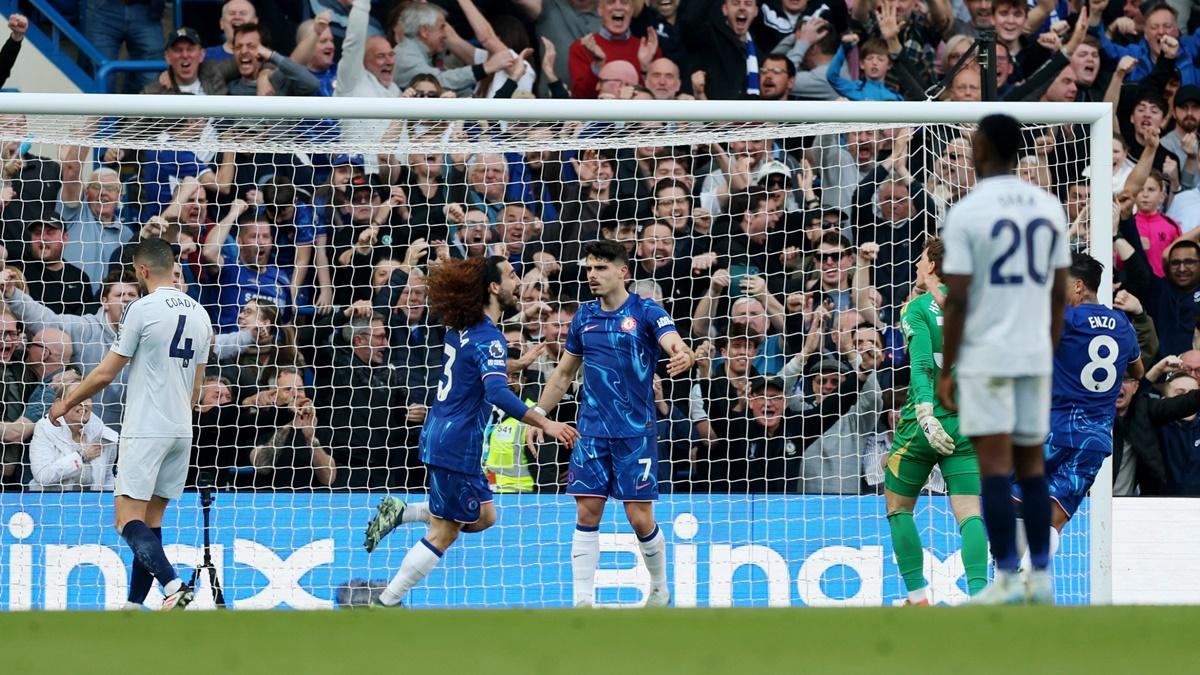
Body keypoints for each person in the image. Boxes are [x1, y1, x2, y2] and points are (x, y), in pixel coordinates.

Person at [361, 256, 578, 607]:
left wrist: (514, 364)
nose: (518, 281)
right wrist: (545, 421)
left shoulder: (462, 328)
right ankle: (386, 602)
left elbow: (473, 365)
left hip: (442, 431)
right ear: (493, 288)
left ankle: (403, 512)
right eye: (511, 275)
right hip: (457, 442)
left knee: (484, 516)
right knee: (445, 531)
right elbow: (496, 392)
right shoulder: (489, 337)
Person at [937, 114, 1071, 605]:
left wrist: (949, 367)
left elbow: (957, 299)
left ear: (985, 149)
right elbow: (1059, 291)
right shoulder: (1048, 207)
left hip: (987, 352)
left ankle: (1009, 579)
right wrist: (1049, 345)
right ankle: (1041, 578)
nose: (970, 148)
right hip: (1034, 350)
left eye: (973, 141)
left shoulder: (968, 211)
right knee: (1032, 467)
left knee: (993, 468)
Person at [47, 238, 213, 611]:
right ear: (173, 267)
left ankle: (173, 585)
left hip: (146, 426)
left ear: (141, 271)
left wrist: (66, 402)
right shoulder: (201, 315)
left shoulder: (141, 308)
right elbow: (197, 389)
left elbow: (106, 373)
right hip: (180, 430)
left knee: (125, 521)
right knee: (150, 521)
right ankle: (134, 605)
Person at [535, 240, 695, 607]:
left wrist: (682, 354)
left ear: (623, 272)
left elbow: (674, 342)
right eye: (589, 268)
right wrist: (540, 415)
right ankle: (582, 602)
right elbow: (563, 374)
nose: (592, 274)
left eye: (601, 267)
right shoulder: (583, 317)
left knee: (639, 517)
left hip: (635, 433)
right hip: (590, 432)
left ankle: (658, 586)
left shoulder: (646, 311)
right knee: (586, 510)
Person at [1013, 253, 1142, 572]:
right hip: (1096, 438)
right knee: (1055, 519)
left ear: (1080, 285)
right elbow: (1137, 370)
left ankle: (1004, 567)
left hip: (1053, 428)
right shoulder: (1124, 326)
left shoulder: (1065, 320)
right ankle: (1029, 573)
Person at [884, 238, 988, 605]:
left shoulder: (917, 309)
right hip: (968, 423)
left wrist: (926, 413)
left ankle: (918, 598)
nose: (915, 265)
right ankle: (978, 598)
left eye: (919, 260)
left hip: (922, 424)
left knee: (898, 508)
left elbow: (923, 366)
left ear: (931, 266)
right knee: (970, 514)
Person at [28, 383, 118, 492]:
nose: (82, 403)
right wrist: (81, 456)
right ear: (59, 404)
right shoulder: (45, 428)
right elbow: (42, 475)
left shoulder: (105, 436)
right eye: (76, 397)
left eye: (87, 397)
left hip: (92, 505)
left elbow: (107, 478)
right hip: (49, 503)